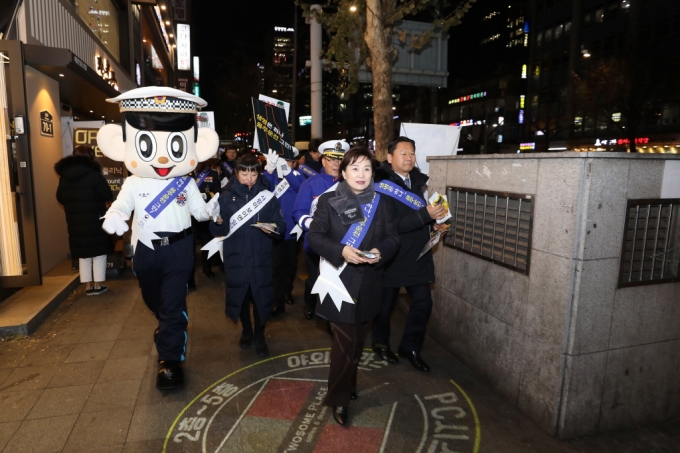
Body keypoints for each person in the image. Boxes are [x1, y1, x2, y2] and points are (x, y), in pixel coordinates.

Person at [97, 86, 220, 390]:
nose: (164, 157)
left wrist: (211, 209)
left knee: (172, 303)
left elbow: (199, 213)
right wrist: (114, 216)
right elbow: (122, 205)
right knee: (155, 300)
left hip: (179, 250)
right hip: (146, 252)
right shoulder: (133, 182)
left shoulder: (186, 183)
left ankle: (169, 360)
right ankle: (167, 323)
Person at [307, 147, 399, 426]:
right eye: (355, 168)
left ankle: (349, 383)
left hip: (370, 284)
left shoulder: (382, 203)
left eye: (367, 169)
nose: (361, 174)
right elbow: (314, 236)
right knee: (345, 345)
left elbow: (394, 237)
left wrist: (381, 251)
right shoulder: (330, 200)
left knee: (357, 343)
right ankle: (339, 399)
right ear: (343, 172)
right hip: (338, 283)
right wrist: (341, 251)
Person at [372, 136, 447, 372]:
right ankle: (380, 343)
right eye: (403, 153)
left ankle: (411, 347)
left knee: (423, 303)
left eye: (412, 153)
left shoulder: (419, 182)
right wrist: (425, 216)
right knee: (384, 306)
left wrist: (433, 226)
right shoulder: (379, 185)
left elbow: (421, 216)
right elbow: (389, 224)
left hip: (418, 255)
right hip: (391, 255)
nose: (408, 157)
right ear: (389, 157)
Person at [210, 154, 285, 357]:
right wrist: (217, 221)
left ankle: (260, 335)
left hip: (260, 257)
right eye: (245, 172)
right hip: (236, 257)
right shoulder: (225, 196)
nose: (249, 177)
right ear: (237, 173)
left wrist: (274, 228)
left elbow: (281, 225)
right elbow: (219, 230)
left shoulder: (267, 196)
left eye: (253, 172)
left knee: (261, 296)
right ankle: (246, 330)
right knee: (240, 296)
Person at [292, 139, 350, 320]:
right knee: (316, 277)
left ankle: (333, 311)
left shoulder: (351, 182)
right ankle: (310, 304)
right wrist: (314, 225)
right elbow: (299, 211)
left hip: (343, 242)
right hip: (317, 243)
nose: (336, 163)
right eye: (331, 159)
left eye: (339, 159)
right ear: (323, 160)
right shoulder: (310, 184)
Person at [55, 145, 114, 295]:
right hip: (95, 219)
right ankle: (97, 285)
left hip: (75, 221)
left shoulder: (65, 176)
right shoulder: (94, 175)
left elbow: (60, 197)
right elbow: (107, 195)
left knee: (83, 253)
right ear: (91, 157)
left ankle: (87, 286)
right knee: (99, 252)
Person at [263, 150, 305, 315]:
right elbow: (260, 189)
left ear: (294, 163)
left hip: (294, 232)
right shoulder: (271, 177)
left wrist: (288, 172)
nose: (285, 164)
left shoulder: (298, 177)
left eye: (289, 161)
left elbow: (300, 186)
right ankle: (277, 301)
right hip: (275, 233)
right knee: (275, 268)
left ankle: (288, 291)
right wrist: (269, 170)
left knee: (291, 267)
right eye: (283, 160)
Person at [187, 159, 221, 289]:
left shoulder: (211, 173)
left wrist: (205, 196)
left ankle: (207, 268)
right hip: (190, 218)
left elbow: (217, 192)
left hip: (206, 216)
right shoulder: (185, 174)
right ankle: (190, 279)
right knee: (190, 249)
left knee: (207, 244)